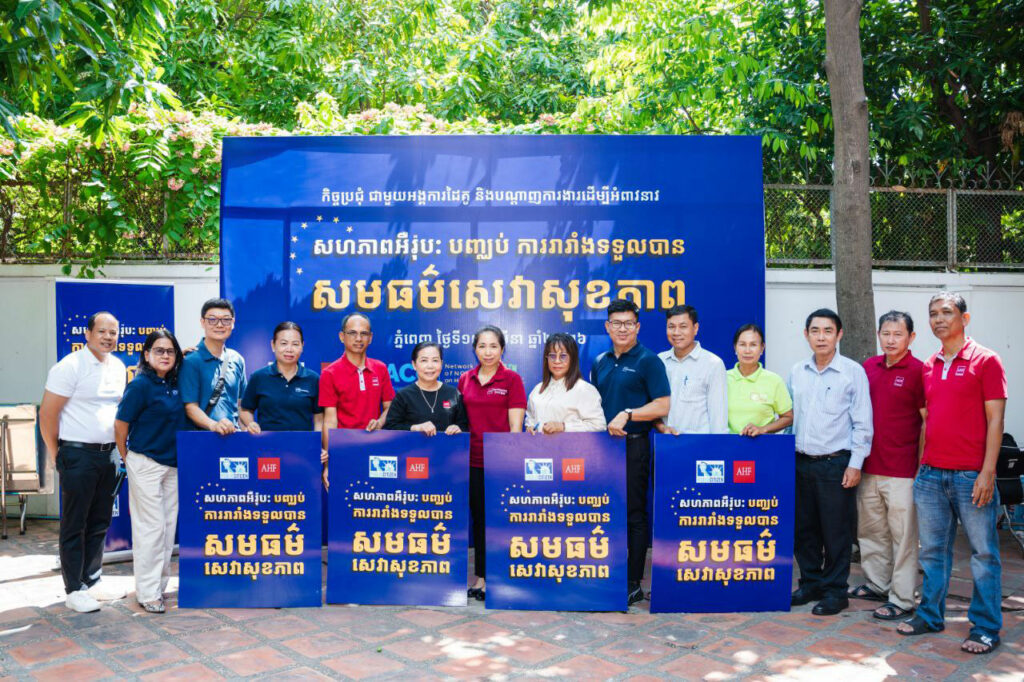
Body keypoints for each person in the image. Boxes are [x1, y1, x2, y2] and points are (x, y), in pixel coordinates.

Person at [898, 293, 1006, 655]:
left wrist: (987, 472)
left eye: (947, 312)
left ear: (965, 318)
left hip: (971, 476)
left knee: (984, 555)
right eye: (933, 314)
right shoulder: (928, 365)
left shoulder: (986, 360)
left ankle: (986, 627)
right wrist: (920, 469)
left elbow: (996, 421)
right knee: (932, 552)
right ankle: (930, 615)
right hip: (931, 476)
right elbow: (927, 421)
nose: (939, 319)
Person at [39, 311, 128, 613]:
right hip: (77, 454)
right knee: (75, 523)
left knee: (100, 521)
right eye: (101, 331)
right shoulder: (69, 366)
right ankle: (74, 588)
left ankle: (92, 581)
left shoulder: (118, 366)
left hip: (109, 455)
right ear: (87, 334)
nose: (108, 337)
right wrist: (57, 454)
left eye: (113, 332)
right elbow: (47, 415)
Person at [788, 308, 872, 616]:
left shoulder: (853, 372)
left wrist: (856, 464)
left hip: (836, 464)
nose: (821, 337)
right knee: (804, 529)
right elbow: (789, 417)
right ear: (806, 334)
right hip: (800, 462)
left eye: (827, 331)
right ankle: (810, 583)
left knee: (836, 532)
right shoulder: (797, 371)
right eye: (815, 331)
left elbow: (863, 423)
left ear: (839, 335)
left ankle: (836, 591)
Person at [590, 299, 670, 606]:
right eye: (616, 323)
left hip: (634, 444)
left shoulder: (649, 360)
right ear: (607, 327)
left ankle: (633, 582)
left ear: (637, 327)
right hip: (603, 448)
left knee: (634, 513)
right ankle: (609, 572)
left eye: (628, 323)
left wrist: (629, 413)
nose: (622, 329)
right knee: (606, 511)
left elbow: (662, 404)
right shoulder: (600, 361)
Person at [849, 311, 923, 621]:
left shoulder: (920, 371)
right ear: (878, 335)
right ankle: (877, 584)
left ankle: (902, 598)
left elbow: (926, 422)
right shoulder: (868, 367)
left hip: (903, 471)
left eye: (898, 334)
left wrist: (920, 467)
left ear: (911, 337)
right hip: (868, 466)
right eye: (886, 333)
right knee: (871, 531)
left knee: (903, 538)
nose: (891, 340)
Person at [113, 330, 187, 614]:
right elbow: (120, 425)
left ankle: (158, 587)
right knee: (151, 529)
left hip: (173, 466)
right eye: (159, 350)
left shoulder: (177, 382)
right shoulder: (140, 385)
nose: (165, 355)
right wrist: (128, 458)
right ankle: (147, 592)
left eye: (170, 351)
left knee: (167, 530)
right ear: (146, 354)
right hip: (145, 463)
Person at [458, 325, 527, 601]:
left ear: (502, 349)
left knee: (498, 520)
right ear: (475, 349)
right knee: (479, 520)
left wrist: (510, 460)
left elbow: (516, 428)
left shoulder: (512, 380)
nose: (488, 352)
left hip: (500, 461)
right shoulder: (465, 379)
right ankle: (482, 576)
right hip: (471, 461)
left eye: (493, 346)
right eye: (482, 346)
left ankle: (498, 577)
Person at [240, 321, 323, 434]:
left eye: (295, 344)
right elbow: (245, 409)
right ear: (273, 345)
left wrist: (317, 441)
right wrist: (251, 423)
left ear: (302, 346)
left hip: (302, 443)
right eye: (284, 343)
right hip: (266, 443)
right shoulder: (258, 377)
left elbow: (319, 418)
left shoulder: (313, 379)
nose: (289, 349)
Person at [656, 305, 727, 435]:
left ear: (695, 328)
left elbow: (718, 417)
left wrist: (718, 444)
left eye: (683, 326)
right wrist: (662, 427)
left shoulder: (713, 363)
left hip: (700, 443)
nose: (676, 332)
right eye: (671, 326)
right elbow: (653, 404)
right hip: (666, 442)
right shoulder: (660, 361)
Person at [180, 298, 247, 435]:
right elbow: (190, 407)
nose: (219, 325)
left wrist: (247, 429)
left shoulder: (237, 359)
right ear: (202, 322)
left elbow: (240, 405)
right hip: (203, 438)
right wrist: (214, 425)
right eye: (212, 319)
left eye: (226, 320)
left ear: (233, 323)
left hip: (234, 436)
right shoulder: (191, 361)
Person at [525, 333, 606, 434]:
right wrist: (530, 427)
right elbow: (530, 419)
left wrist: (564, 426)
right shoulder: (537, 390)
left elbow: (599, 425)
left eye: (563, 356)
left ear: (573, 359)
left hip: (572, 444)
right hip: (539, 444)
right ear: (546, 358)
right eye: (552, 356)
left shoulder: (585, 390)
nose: (557, 361)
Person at [384, 342, 468, 435]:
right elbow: (390, 427)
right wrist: (415, 428)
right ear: (414, 365)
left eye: (435, 360)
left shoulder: (453, 393)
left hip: (448, 445)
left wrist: (458, 428)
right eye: (424, 360)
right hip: (413, 445)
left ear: (441, 363)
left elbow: (464, 426)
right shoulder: (403, 395)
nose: (430, 366)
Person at [726, 323, 793, 436]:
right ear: (735, 348)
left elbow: (788, 417)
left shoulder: (774, 380)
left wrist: (763, 429)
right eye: (742, 344)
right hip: (727, 445)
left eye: (753, 345)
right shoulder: (722, 378)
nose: (747, 350)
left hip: (762, 445)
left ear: (762, 348)